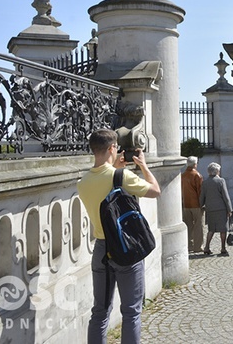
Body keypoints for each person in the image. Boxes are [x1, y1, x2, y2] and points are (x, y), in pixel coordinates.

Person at [77, 129, 161, 344]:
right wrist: (143, 165)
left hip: (101, 250)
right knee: (131, 311)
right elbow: (155, 190)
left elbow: (103, 185)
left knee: (100, 311)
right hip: (125, 248)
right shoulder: (122, 176)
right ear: (112, 148)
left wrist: (115, 170)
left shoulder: (83, 182)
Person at [200, 162, 233, 256]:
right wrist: (229, 209)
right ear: (217, 171)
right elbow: (225, 196)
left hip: (210, 208)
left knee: (211, 229)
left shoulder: (205, 182)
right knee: (223, 229)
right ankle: (223, 248)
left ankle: (206, 247)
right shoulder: (221, 181)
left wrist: (201, 205)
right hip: (221, 208)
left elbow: (202, 196)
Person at [181, 156, 204, 253]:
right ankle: (197, 246)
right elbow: (200, 191)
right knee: (198, 225)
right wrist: (202, 203)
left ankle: (189, 245)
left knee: (188, 225)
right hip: (196, 204)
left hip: (186, 203)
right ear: (195, 164)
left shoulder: (182, 175)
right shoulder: (197, 175)